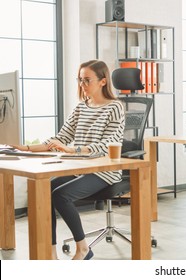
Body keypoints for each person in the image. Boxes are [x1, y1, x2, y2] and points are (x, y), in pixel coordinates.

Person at [10, 60, 125, 260]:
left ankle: (83, 248)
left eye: (87, 80)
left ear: (103, 81)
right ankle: (50, 253)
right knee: (44, 190)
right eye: (80, 80)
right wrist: (25, 147)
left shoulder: (115, 107)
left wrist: (74, 149)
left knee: (60, 195)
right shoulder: (81, 108)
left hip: (104, 170)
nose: (82, 85)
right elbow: (61, 138)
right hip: (80, 167)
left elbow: (109, 143)